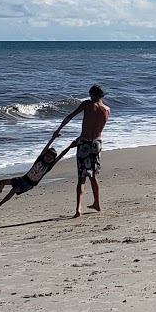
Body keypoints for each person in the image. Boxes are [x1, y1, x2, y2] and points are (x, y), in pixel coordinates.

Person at [48, 84, 110, 217]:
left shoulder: (87, 104)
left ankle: (78, 209)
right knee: (93, 175)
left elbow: (70, 117)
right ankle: (97, 203)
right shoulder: (107, 110)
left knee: (81, 177)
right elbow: (96, 129)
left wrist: (58, 130)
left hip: (84, 143)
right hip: (97, 143)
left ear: (93, 95)